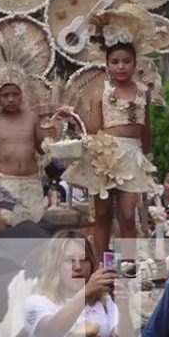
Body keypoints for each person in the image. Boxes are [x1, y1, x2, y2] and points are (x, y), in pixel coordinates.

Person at [62, 42, 157, 263]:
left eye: (126, 61)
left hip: (132, 156)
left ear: (134, 64)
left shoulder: (143, 92)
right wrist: (74, 117)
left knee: (127, 215)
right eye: (115, 62)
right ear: (107, 65)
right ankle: (102, 269)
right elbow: (95, 128)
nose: (121, 66)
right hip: (104, 154)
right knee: (102, 215)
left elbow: (146, 127)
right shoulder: (100, 93)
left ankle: (128, 269)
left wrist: (148, 155)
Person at [0, 75, 50, 227]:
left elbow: (42, 147)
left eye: (15, 94)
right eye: (5, 95)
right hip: (7, 181)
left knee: (34, 223)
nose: (11, 99)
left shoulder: (32, 118)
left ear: (22, 95)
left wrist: (55, 148)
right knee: (7, 223)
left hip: (31, 181)